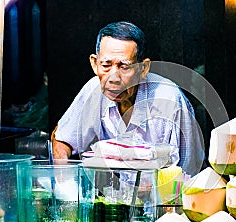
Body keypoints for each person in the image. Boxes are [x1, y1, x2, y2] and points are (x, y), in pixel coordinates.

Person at [51, 21, 204, 176]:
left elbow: (190, 171)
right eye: (106, 65)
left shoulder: (169, 99)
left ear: (143, 69)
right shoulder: (94, 90)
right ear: (94, 64)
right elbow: (62, 139)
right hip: (113, 196)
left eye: (124, 67)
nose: (113, 78)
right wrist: (65, 181)